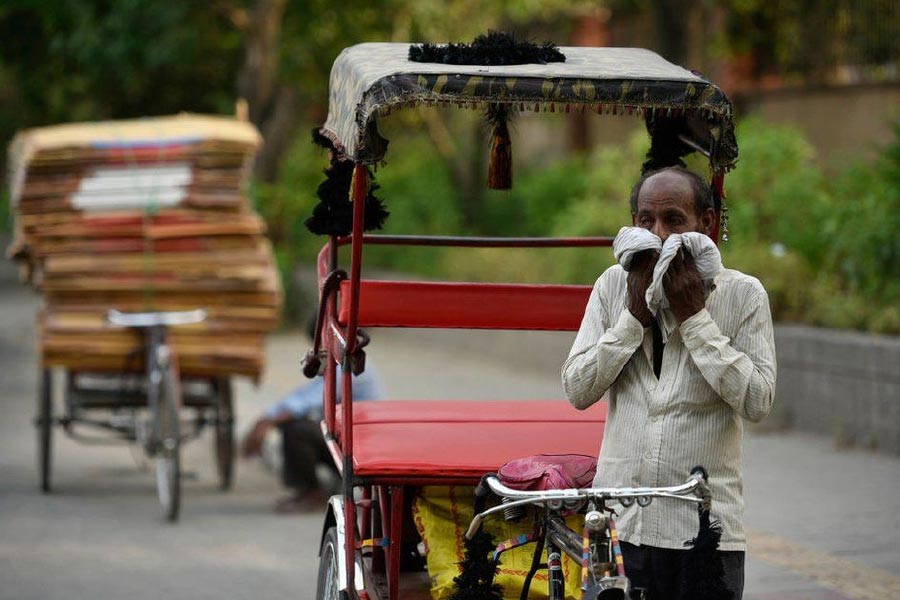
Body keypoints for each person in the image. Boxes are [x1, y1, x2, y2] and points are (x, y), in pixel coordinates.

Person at [562, 167, 776, 599]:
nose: (658, 236)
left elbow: (757, 400)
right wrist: (632, 318)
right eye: (646, 221)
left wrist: (696, 319)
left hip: (703, 533)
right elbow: (578, 388)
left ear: (707, 224)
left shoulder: (743, 295)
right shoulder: (611, 287)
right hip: (619, 528)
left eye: (674, 221)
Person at [242, 321, 382, 513]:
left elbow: (307, 402)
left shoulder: (349, 365)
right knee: (297, 424)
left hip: (360, 446)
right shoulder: (337, 362)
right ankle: (310, 490)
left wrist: (267, 422)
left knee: (297, 429)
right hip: (351, 439)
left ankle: (312, 494)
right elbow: (303, 395)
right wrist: (266, 419)